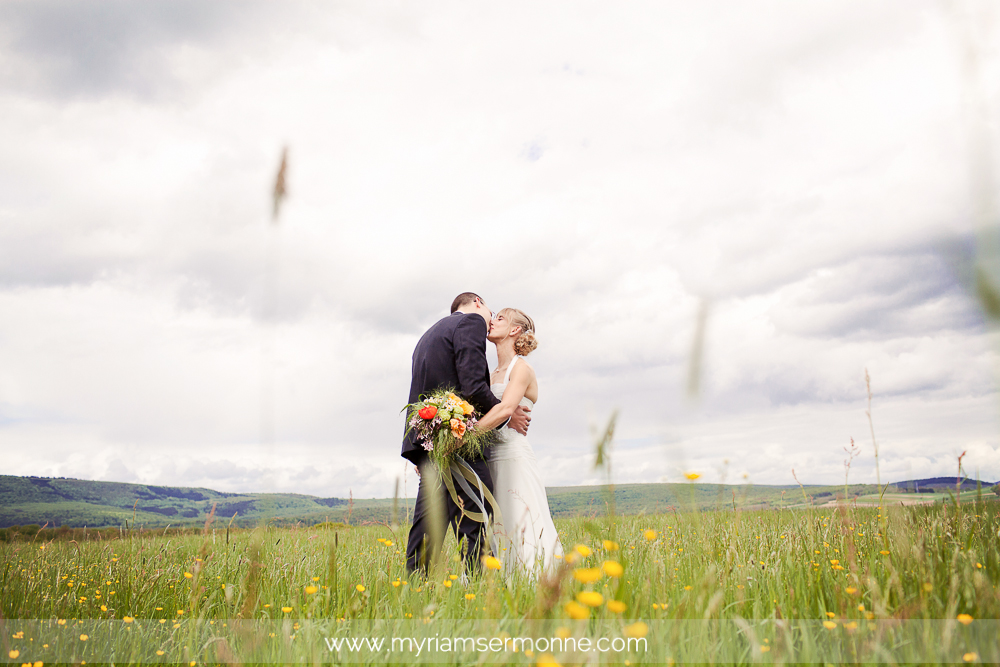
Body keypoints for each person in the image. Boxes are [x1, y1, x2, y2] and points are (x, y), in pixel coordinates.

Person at [403, 292, 531, 576]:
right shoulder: (470, 321)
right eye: (491, 312)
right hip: (462, 443)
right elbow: (473, 386)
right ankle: (478, 587)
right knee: (474, 520)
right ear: (477, 304)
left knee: (428, 522)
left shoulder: (427, 336)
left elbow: (421, 396)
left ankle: (415, 586)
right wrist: (504, 413)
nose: (488, 322)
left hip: (434, 443)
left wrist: (424, 446)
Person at [476, 308, 564, 577]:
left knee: (522, 522)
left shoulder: (522, 368)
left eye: (500, 318)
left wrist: (463, 437)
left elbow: (504, 409)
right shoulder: (490, 374)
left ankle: (535, 587)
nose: (492, 321)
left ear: (515, 330)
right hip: (489, 456)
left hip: (513, 457)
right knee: (497, 528)